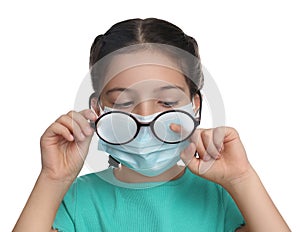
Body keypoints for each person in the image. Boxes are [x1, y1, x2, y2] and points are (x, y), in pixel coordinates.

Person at [13, 18, 290, 232]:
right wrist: (53, 178)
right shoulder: (74, 201)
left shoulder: (221, 197)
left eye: (167, 102)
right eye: (123, 103)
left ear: (194, 105)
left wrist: (242, 178)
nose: (145, 118)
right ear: (97, 109)